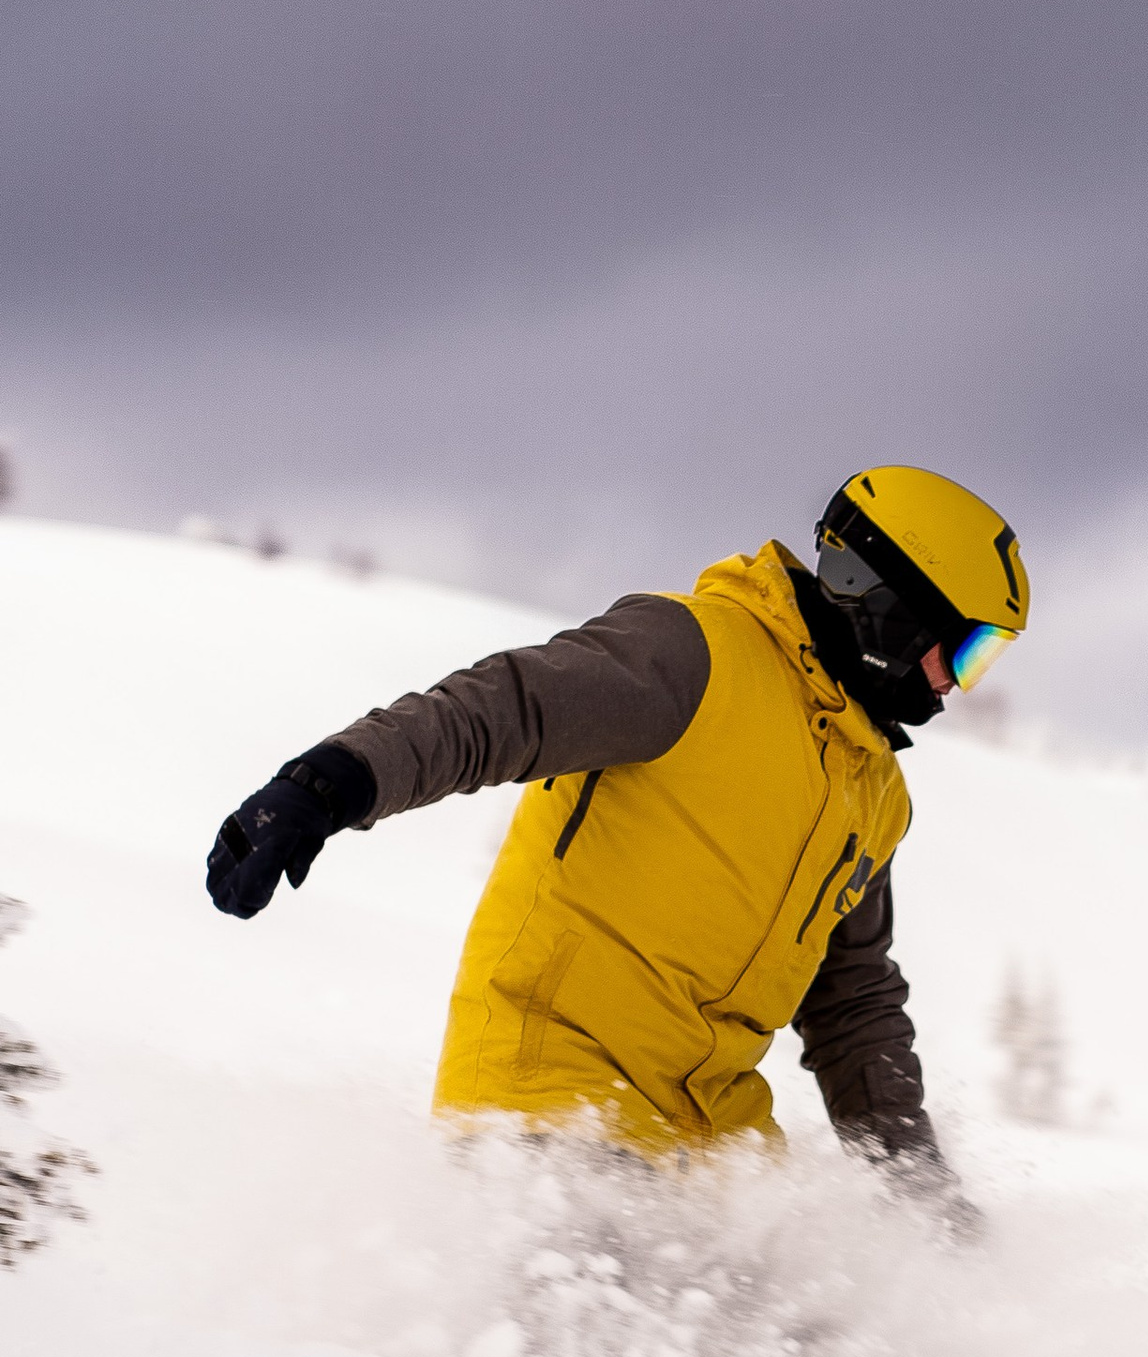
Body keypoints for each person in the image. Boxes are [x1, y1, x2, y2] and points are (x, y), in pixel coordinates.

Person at [204, 467, 1027, 1191]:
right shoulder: (694, 654)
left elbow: (852, 1000)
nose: (957, 685)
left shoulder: (869, 788)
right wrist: (326, 783)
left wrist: (917, 1191)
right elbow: (503, 709)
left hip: (712, 1157)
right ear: (891, 609)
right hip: (552, 1106)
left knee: (824, 1351)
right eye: (965, 650)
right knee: (608, 1341)